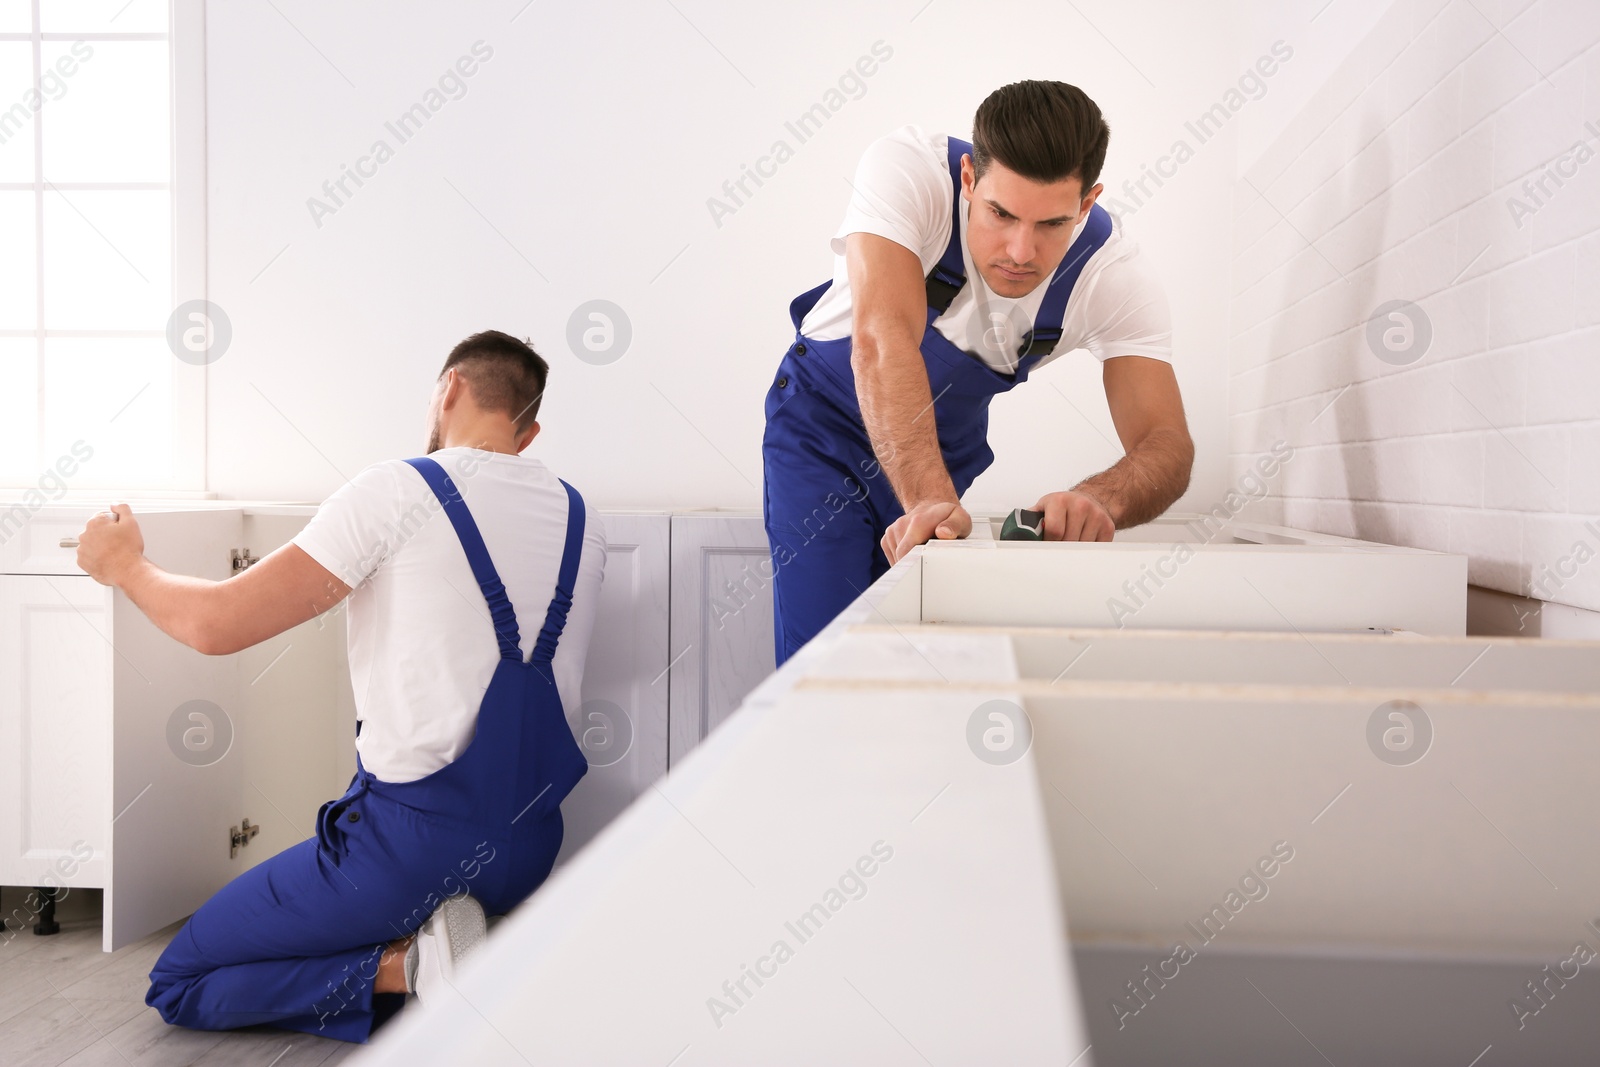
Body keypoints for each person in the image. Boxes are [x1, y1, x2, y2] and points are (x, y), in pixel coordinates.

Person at [72, 330, 606, 1042]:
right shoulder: (581, 517)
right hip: (532, 849)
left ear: (448, 389)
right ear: (529, 430)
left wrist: (125, 565)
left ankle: (411, 967)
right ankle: (482, 938)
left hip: (406, 851)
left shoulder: (398, 490)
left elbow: (216, 624)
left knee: (181, 979)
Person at [761, 80, 1194, 664]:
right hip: (823, 433)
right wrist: (929, 504)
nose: (1020, 251)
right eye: (1000, 213)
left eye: (1051, 225)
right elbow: (882, 341)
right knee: (825, 657)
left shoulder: (1113, 276)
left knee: (908, 654)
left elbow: (1166, 442)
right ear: (968, 179)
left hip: (940, 453)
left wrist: (1102, 499)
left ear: (1087, 203)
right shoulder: (908, 168)